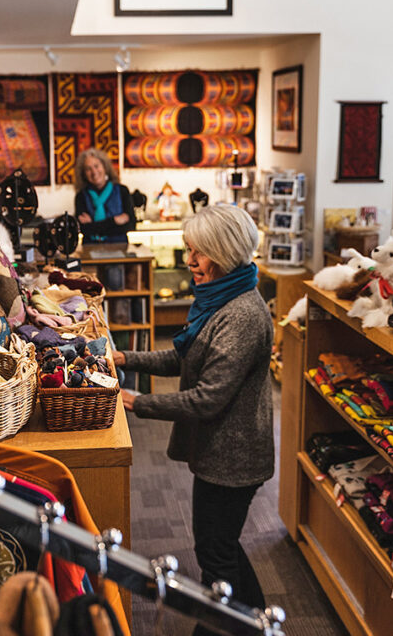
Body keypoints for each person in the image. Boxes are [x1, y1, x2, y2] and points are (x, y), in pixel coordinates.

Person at [113, 204, 274, 619]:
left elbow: (207, 398)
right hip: (220, 451)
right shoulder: (218, 300)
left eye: (197, 252)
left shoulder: (240, 315)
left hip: (234, 458)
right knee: (221, 545)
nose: (189, 262)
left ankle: (223, 625)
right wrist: (126, 359)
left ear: (221, 252)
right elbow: (185, 359)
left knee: (214, 553)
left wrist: (136, 401)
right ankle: (256, 617)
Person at [74, 148, 136, 244]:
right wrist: (114, 220)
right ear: (84, 174)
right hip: (90, 250)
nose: (94, 172)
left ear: (105, 167)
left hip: (120, 250)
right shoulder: (81, 196)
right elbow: (84, 229)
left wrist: (93, 225)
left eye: (96, 166)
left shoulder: (122, 191)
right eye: (88, 169)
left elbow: (131, 225)